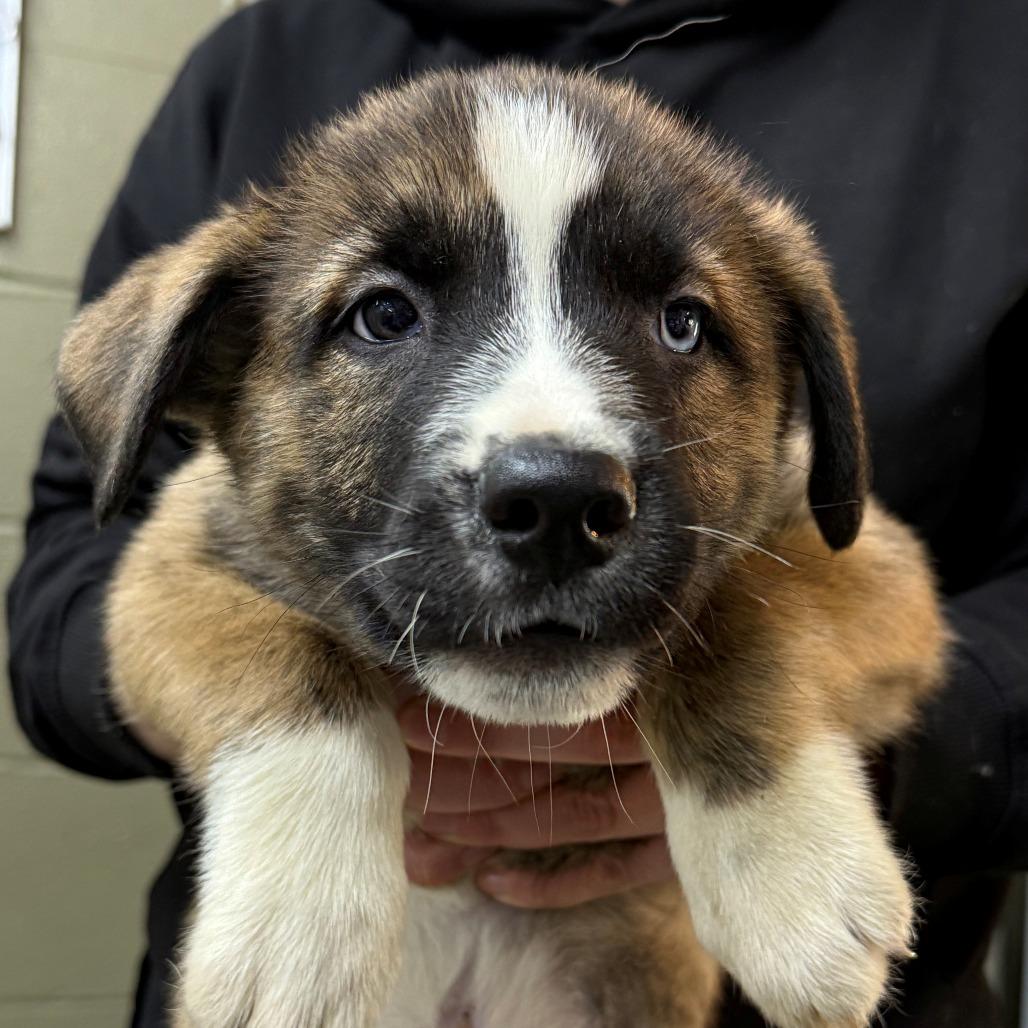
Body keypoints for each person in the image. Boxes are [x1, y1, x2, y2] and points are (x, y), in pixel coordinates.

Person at [6, 1, 1027, 1025]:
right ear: (202, 365)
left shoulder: (983, 48)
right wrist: (288, 742)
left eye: (681, 324)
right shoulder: (267, 47)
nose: (554, 454)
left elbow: (864, 570)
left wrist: (771, 732)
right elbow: (90, 573)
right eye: (383, 313)